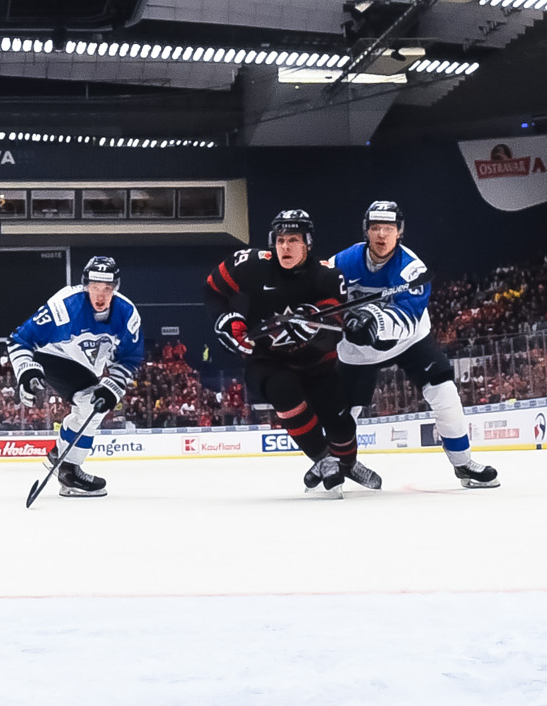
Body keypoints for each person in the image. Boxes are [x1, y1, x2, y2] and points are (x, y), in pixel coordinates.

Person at [331, 201, 498, 488]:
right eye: (375, 228)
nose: (381, 235)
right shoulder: (343, 262)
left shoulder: (412, 268)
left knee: (445, 393)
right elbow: (319, 291)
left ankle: (463, 464)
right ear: (366, 231)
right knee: (342, 412)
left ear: (399, 232)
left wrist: (374, 321)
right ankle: (334, 463)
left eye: (388, 228)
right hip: (358, 350)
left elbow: (408, 317)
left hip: (411, 341)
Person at [205, 209, 371, 496]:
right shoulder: (251, 265)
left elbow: (336, 323)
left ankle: (347, 463)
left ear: (307, 242)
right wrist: (226, 319)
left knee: (341, 424)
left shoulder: (328, 276)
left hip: (317, 364)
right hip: (267, 360)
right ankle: (323, 460)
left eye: (293, 239)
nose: (285, 246)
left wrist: (319, 324)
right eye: (280, 239)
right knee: (284, 391)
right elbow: (212, 289)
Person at [5, 255, 143, 497]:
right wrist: (26, 370)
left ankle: (60, 453)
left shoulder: (127, 314)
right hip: (51, 356)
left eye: (107, 289)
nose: (100, 296)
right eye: (95, 288)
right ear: (85, 285)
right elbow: (19, 339)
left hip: (87, 368)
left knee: (92, 407)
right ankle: (69, 471)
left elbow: (130, 358)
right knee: (91, 405)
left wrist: (112, 386)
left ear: (115, 288)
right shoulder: (64, 307)